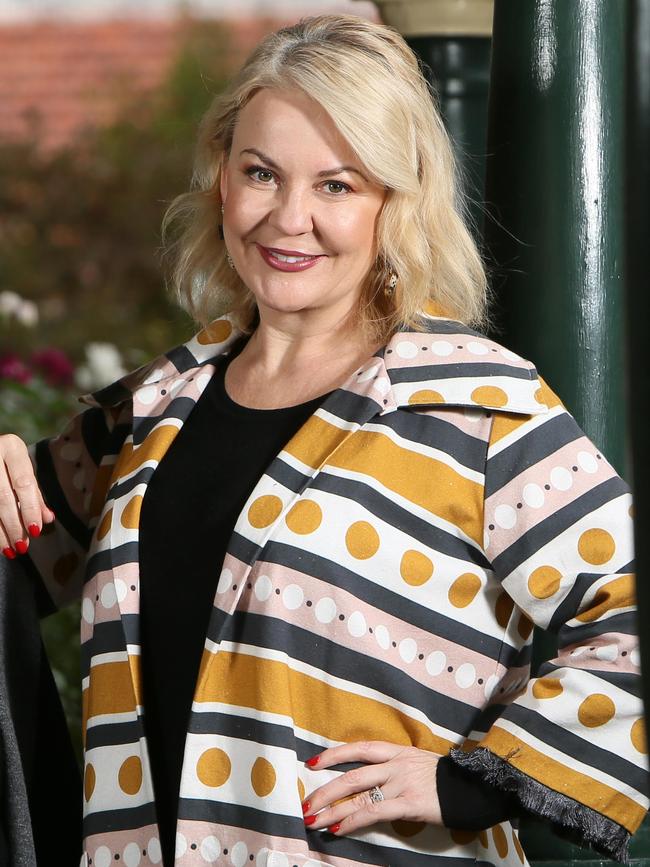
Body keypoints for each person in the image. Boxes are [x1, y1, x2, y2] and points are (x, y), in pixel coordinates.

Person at [0, 13, 646, 867]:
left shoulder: (477, 403)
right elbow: (18, 558)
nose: (289, 217)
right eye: (261, 173)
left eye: (337, 185)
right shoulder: (155, 407)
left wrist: (470, 782)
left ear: (394, 201)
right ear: (221, 181)